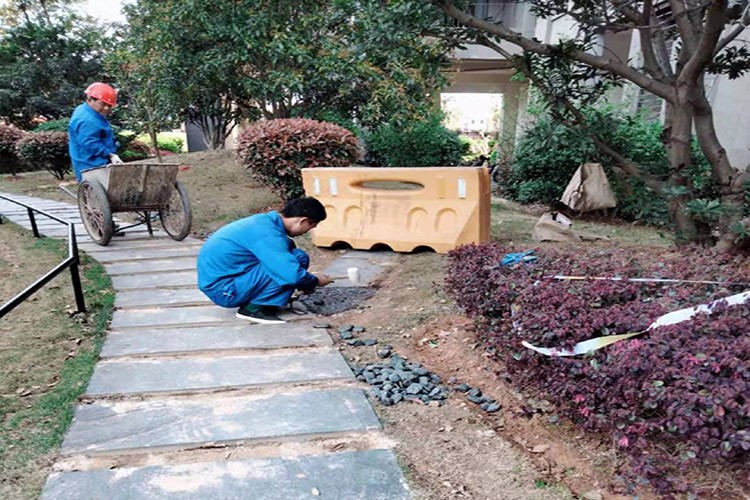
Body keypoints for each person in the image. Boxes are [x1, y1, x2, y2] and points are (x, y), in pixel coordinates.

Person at [197, 197, 333, 324]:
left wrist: (305, 282)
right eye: (312, 225)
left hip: (228, 280)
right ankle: (254, 309)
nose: (310, 230)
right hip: (224, 290)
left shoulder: (265, 223)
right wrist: (315, 280)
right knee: (291, 266)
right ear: (302, 221)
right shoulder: (267, 233)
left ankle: (266, 301)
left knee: (297, 257)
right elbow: (289, 274)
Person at [68, 82, 123, 182]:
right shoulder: (87, 120)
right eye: (103, 104)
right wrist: (110, 155)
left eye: (109, 105)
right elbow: (90, 143)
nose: (106, 108)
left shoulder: (87, 110)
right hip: (92, 164)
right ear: (90, 99)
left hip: (94, 161)